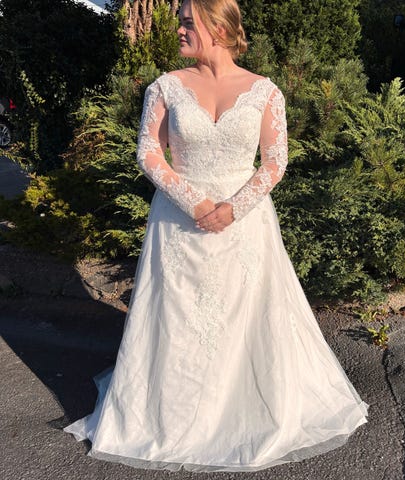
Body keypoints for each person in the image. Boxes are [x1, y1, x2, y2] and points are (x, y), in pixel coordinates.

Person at [63, 0, 368, 472]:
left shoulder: (265, 91)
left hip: (245, 227)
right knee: (180, 319)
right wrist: (196, 203)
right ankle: (175, 417)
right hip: (178, 224)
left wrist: (234, 208)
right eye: (180, 22)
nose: (178, 30)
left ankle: (246, 411)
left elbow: (275, 162)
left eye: (188, 22)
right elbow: (149, 154)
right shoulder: (164, 87)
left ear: (218, 27)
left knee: (244, 316)